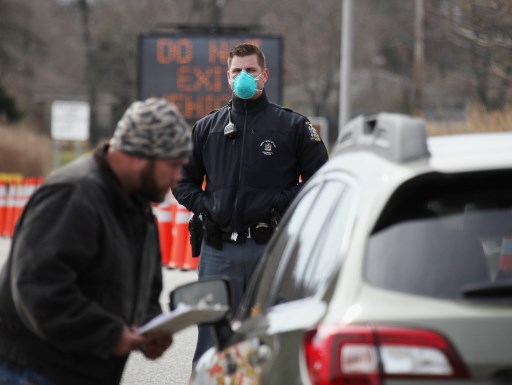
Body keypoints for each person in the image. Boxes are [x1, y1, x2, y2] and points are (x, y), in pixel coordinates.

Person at [0, 97, 192, 385]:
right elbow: (38, 288)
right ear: (140, 155)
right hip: (33, 371)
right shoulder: (74, 195)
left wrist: (149, 329)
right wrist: (111, 335)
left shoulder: (136, 203)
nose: (179, 177)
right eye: (173, 165)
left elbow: (146, 289)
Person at [173, 43, 329, 363]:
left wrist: (279, 204)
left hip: (271, 251)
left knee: (273, 341)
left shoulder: (293, 127)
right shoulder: (207, 128)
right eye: (237, 71)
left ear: (265, 75)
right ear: (228, 77)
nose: (244, 76)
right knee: (212, 344)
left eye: (251, 70)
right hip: (218, 253)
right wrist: (207, 205)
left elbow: (321, 180)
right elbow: (180, 181)